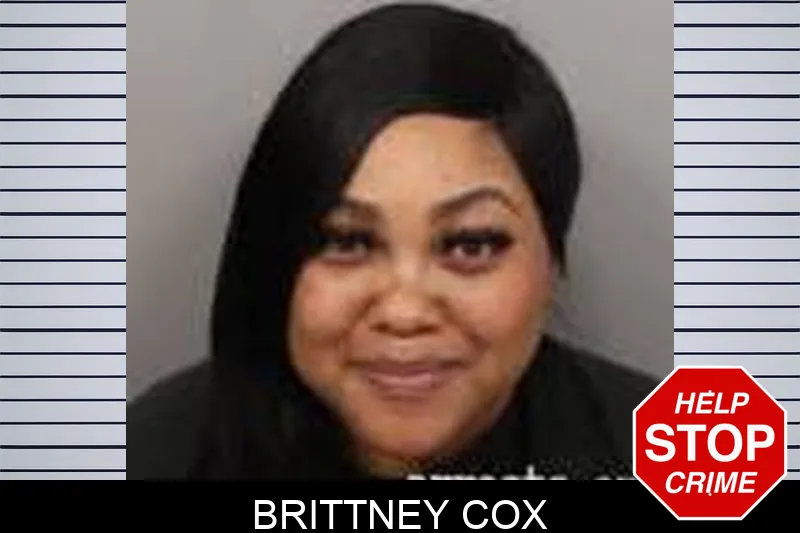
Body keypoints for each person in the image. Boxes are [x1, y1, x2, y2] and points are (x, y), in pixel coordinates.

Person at [127, 3, 658, 480]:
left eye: (470, 245)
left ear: (552, 263)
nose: (405, 313)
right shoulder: (150, 453)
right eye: (348, 241)